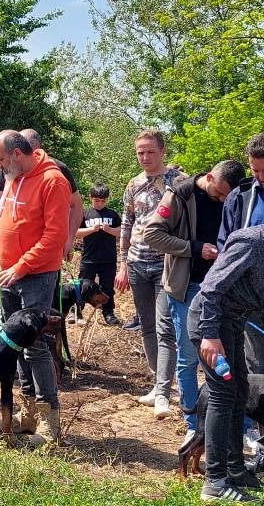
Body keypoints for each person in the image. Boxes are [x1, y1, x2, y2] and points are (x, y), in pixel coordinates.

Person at [144, 161, 245, 436]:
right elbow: (152, 234)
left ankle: (236, 425)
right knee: (189, 357)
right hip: (187, 285)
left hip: (224, 289)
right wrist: (194, 248)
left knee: (228, 357)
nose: (225, 200)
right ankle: (192, 425)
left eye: (229, 196)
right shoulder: (180, 195)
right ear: (210, 177)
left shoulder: (236, 197)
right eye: (221, 193)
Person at [0, 130, 71, 445]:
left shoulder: (53, 181)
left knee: (36, 346)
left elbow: (54, 238)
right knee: (13, 342)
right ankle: (28, 414)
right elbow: (6, 219)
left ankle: (50, 420)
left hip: (34, 274)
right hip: (6, 274)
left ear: (17, 154)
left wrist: (20, 266)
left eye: (0, 158)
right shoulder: (13, 176)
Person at [187, 226, 264, 502]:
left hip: (233, 323)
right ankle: (215, 482)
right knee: (222, 394)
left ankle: (234, 468)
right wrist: (209, 335)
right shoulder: (252, 242)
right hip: (211, 324)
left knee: (239, 392)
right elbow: (210, 288)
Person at [115, 129, 183, 416]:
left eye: (150, 152)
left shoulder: (178, 182)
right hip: (138, 262)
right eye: (140, 152)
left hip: (167, 265)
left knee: (165, 327)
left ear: (162, 151)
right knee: (146, 326)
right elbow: (127, 225)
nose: (144, 157)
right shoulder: (133, 184)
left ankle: (165, 392)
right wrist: (122, 263)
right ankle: (157, 383)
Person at [217, 132, 264, 454]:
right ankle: (256, 439)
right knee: (254, 366)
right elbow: (225, 246)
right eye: (255, 171)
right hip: (248, 300)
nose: (259, 178)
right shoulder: (242, 197)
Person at [0, 128, 83, 266]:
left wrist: (69, 240)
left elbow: (75, 206)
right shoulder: (8, 170)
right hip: (6, 263)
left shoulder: (55, 173)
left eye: (29, 149)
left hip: (38, 266)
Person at [75, 184, 122, 326]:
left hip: (108, 258)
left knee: (107, 286)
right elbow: (76, 233)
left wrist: (109, 230)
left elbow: (121, 232)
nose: (100, 204)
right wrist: (91, 229)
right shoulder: (85, 214)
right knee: (82, 285)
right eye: (96, 201)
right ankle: (77, 311)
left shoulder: (113, 214)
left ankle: (108, 312)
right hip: (89, 258)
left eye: (103, 201)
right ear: (91, 198)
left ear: (107, 200)